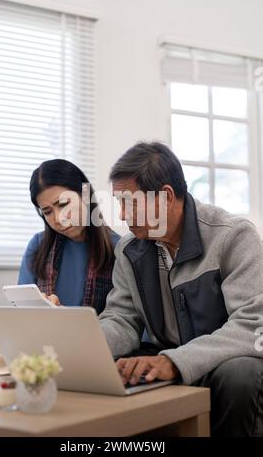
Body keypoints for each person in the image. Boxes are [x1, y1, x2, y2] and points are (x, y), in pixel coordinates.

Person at [99, 141, 263, 436]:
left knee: (241, 373)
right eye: (119, 203)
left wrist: (174, 362)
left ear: (165, 196)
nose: (122, 216)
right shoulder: (129, 250)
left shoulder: (233, 236)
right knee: (115, 366)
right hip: (169, 356)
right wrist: (85, 348)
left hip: (221, 362)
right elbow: (121, 318)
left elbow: (252, 324)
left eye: (130, 203)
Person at [18, 159, 119, 313]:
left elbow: (123, 318)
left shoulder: (119, 249)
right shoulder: (37, 246)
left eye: (64, 204)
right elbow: (21, 310)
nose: (59, 218)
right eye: (47, 212)